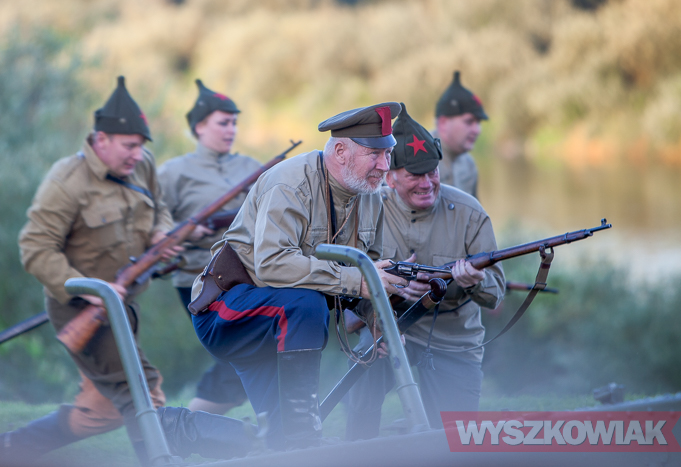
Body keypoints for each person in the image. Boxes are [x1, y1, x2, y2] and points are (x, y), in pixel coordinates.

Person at [158, 102, 409, 455]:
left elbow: (365, 275)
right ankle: (303, 433)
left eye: (387, 154)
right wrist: (356, 282)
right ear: (341, 151)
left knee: (279, 448)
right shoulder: (290, 182)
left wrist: (377, 320)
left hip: (281, 324)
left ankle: (173, 428)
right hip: (227, 309)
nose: (384, 165)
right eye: (374, 155)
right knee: (307, 306)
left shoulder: (370, 197)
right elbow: (272, 265)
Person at [2, 77, 179, 466]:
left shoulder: (143, 164)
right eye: (129, 146)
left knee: (102, 411)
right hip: (79, 307)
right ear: (101, 139)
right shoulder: (67, 181)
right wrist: (90, 291)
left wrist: (161, 233)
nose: (137, 154)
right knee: (141, 392)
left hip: (124, 303)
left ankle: (11, 449)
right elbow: (35, 248)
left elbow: (160, 206)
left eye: (141, 145)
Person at [345, 103, 506, 440]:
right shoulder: (365, 210)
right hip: (389, 327)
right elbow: (347, 283)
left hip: (454, 337)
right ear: (389, 177)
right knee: (362, 383)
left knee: (456, 437)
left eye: (432, 171)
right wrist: (380, 318)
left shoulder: (470, 213)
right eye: (415, 175)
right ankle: (359, 450)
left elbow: (495, 294)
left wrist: (474, 282)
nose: (427, 183)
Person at [158, 79, 261, 415]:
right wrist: (184, 232)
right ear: (199, 126)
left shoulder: (252, 167)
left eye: (234, 123)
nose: (231, 130)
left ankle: (194, 425)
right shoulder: (173, 172)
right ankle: (191, 424)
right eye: (223, 123)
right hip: (198, 279)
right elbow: (151, 222)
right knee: (244, 350)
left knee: (255, 348)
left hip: (249, 275)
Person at [434, 70, 489, 198]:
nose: (477, 130)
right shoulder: (416, 159)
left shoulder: (468, 165)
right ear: (443, 123)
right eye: (469, 122)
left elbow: (474, 210)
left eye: (478, 122)